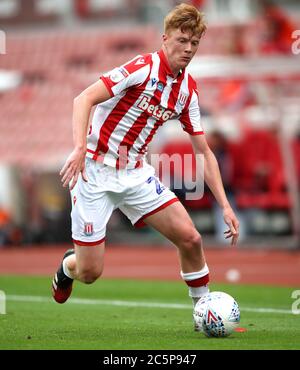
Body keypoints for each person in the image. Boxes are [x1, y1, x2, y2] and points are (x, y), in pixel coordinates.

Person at [52, 3, 239, 331]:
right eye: (182, 40)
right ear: (165, 38)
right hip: (94, 172)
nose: (188, 49)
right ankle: (68, 267)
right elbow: (83, 99)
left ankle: (203, 314)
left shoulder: (187, 91)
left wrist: (225, 205)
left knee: (191, 238)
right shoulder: (142, 68)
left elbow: (205, 152)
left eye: (195, 43)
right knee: (90, 273)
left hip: (135, 173)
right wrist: (80, 148)